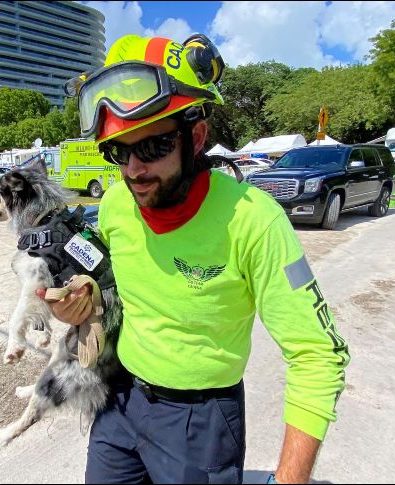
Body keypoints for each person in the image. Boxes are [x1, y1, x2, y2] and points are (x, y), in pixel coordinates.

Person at [36, 33, 350, 484]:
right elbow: (105, 277)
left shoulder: (255, 222)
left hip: (199, 421)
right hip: (120, 401)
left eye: (152, 147)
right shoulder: (115, 205)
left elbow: (318, 355)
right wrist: (79, 296)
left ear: (196, 136)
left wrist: (290, 480)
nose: (133, 171)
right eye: (118, 152)